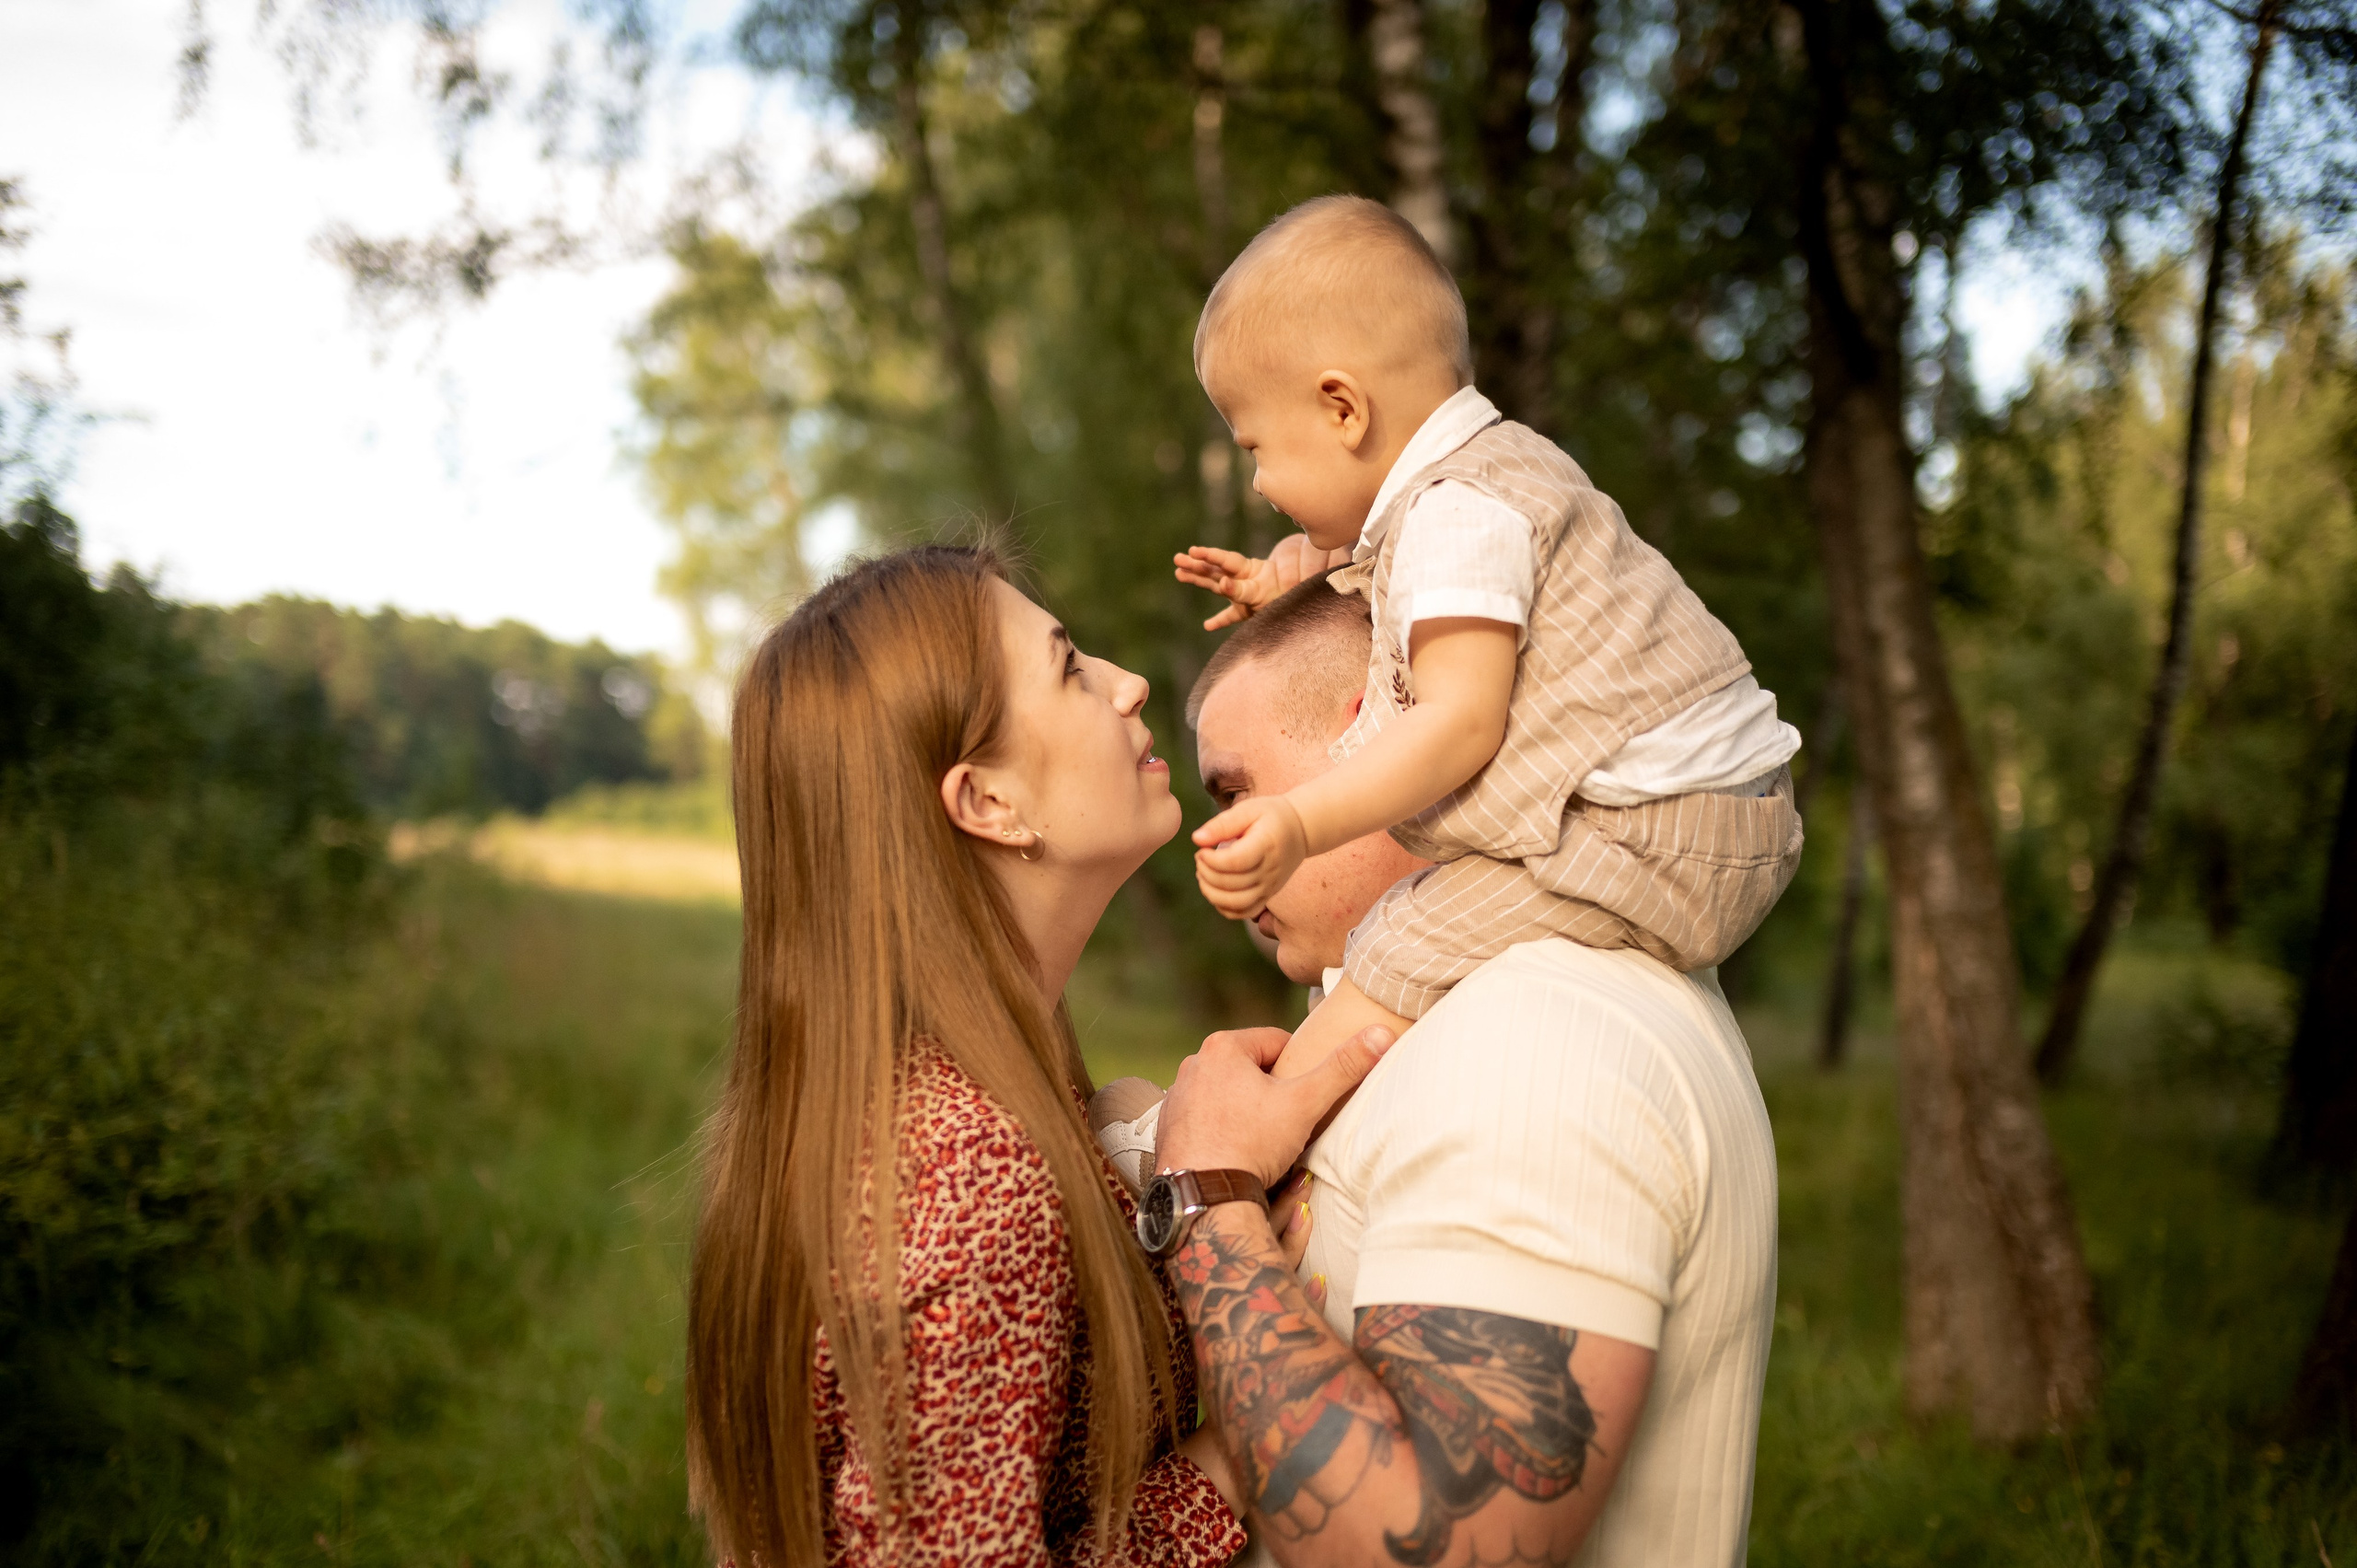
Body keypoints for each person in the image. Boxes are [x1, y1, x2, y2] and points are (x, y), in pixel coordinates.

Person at [685, 544, 1358, 1567]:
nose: (1128, 684)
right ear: (987, 802)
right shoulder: (970, 1173)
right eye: (1070, 668)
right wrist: (1229, 1460)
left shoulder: (944, 1100)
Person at [1137, 573, 1780, 1568]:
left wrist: (1206, 1204)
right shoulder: (1461, 1008)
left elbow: (1440, 1546)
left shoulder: (1533, 1038)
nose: (1214, 834)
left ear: (1379, 734)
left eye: (1234, 788)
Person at [1174, 193, 1805, 1087]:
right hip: (1698, 806)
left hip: (1661, 830)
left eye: (1255, 448)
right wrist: (1287, 577)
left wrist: (1301, 818)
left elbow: (1459, 723)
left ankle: (1270, 1128)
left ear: (1343, 410)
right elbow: (1372, 562)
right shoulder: (1483, 478)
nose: (1259, 484)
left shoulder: (1457, 516)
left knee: (1400, 941)